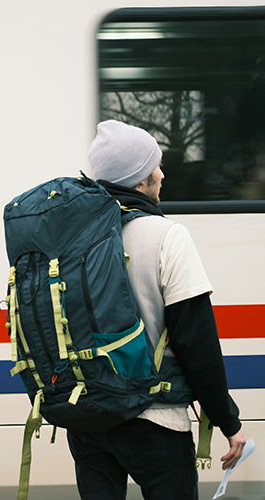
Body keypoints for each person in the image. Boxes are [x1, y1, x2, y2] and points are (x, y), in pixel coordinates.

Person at [64, 120, 249, 500]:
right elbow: (197, 341)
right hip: (155, 420)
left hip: (86, 420)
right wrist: (229, 421)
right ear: (140, 178)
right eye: (157, 166)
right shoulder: (166, 236)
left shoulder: (70, 237)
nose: (162, 175)